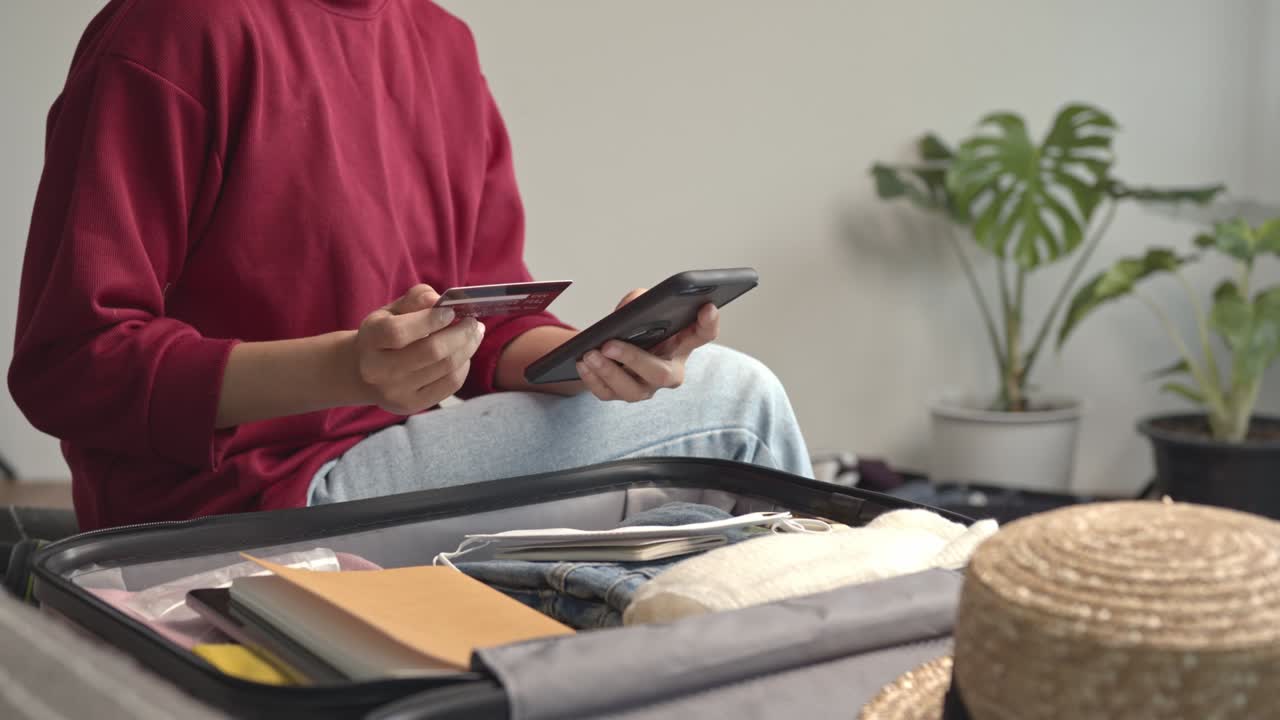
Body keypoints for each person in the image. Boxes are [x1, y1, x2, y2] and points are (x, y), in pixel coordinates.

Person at [7, 0, 811, 531]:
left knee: (696, 518)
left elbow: (488, 329)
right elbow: (69, 365)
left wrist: (595, 360)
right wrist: (348, 370)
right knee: (734, 404)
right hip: (233, 507)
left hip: (391, 461)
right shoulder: (174, 30)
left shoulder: (442, 45)